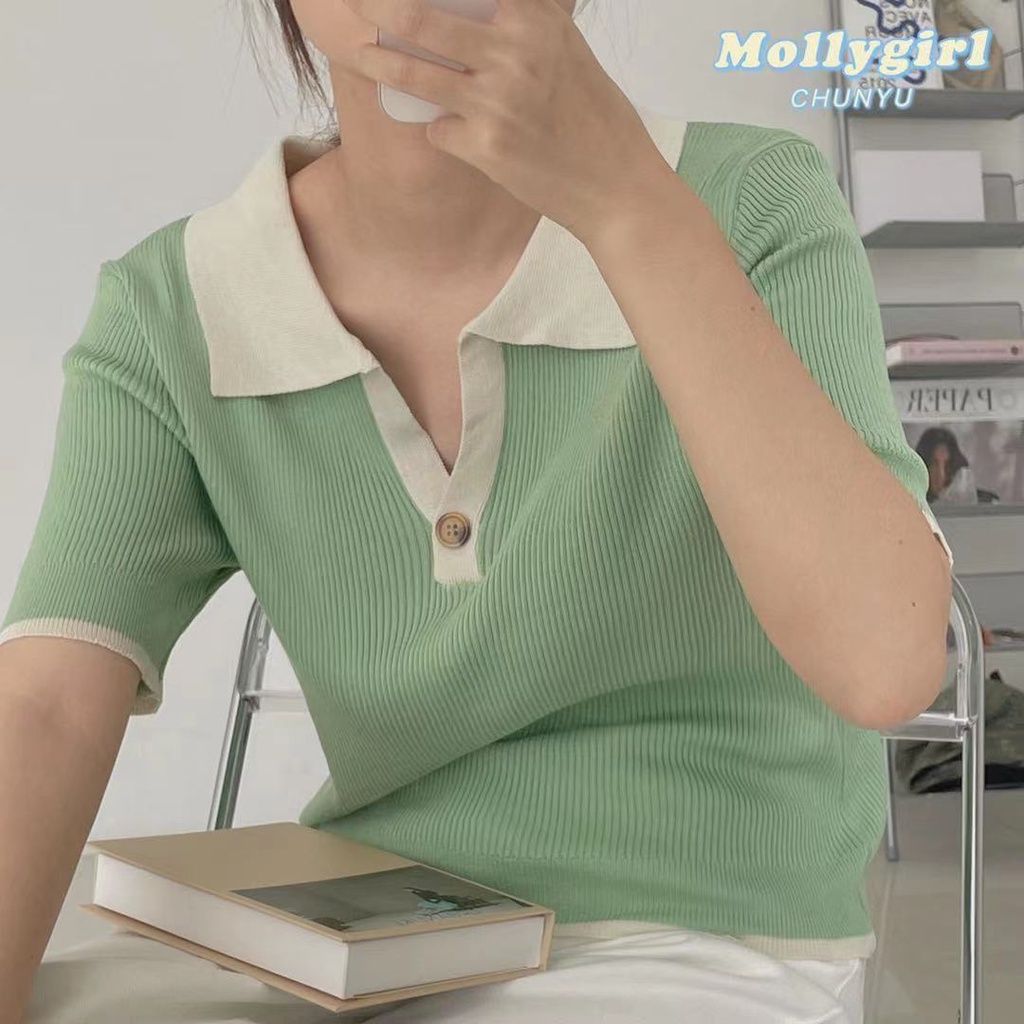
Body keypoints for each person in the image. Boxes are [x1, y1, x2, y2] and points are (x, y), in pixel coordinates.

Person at [0, 1, 956, 1022]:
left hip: (704, 939)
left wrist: (627, 203)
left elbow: (883, 664)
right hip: (363, 934)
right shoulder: (173, 305)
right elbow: (46, 703)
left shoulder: (748, 200)